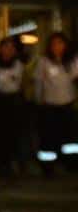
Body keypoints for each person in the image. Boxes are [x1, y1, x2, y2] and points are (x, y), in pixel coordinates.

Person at [30, 31, 76, 176]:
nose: (57, 47)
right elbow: (38, 83)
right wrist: (38, 101)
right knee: (48, 139)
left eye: (60, 43)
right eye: (54, 44)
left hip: (68, 105)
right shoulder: (43, 62)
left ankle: (71, 163)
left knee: (70, 139)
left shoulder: (72, 61)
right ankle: (48, 167)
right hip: (49, 106)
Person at [0, 37, 28, 177]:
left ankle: (20, 164)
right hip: (0, 101)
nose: (8, 50)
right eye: (5, 47)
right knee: (2, 135)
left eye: (11, 48)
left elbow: (20, 82)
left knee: (17, 134)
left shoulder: (19, 64)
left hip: (15, 100)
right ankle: (3, 165)